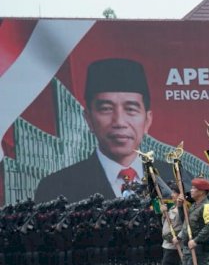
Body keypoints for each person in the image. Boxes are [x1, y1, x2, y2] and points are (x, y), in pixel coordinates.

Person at [34, 58, 174, 203]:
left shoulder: (177, 180)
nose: (119, 122)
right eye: (106, 109)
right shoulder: (56, 188)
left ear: (147, 120)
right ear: (89, 119)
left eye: (131, 109)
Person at [160, 182, 184, 265]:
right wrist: (164, 214)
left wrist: (178, 238)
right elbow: (166, 225)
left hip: (175, 246)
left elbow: (185, 225)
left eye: (175, 193)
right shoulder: (172, 208)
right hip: (167, 244)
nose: (172, 195)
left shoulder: (182, 209)